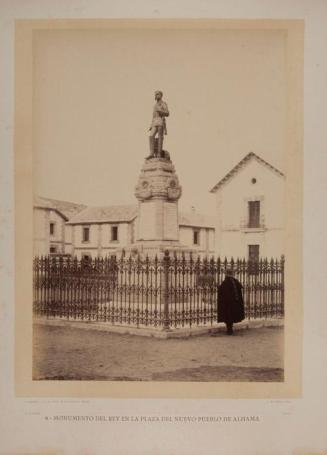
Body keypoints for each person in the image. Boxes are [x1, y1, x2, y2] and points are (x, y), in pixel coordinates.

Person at [217, 267, 245, 335]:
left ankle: (229, 330)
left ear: (226, 274)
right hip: (235, 303)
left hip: (228, 303)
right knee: (232, 316)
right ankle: (230, 329)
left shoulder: (226, 282)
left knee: (228, 316)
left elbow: (221, 291)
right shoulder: (235, 281)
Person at [147, 90, 169, 158]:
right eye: (155, 94)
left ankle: (159, 153)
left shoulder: (163, 103)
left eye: (157, 94)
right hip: (155, 122)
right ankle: (151, 153)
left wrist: (161, 111)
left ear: (161, 95)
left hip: (160, 121)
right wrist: (151, 125)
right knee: (151, 136)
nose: (156, 96)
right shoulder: (155, 105)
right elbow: (153, 116)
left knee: (160, 137)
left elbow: (167, 113)